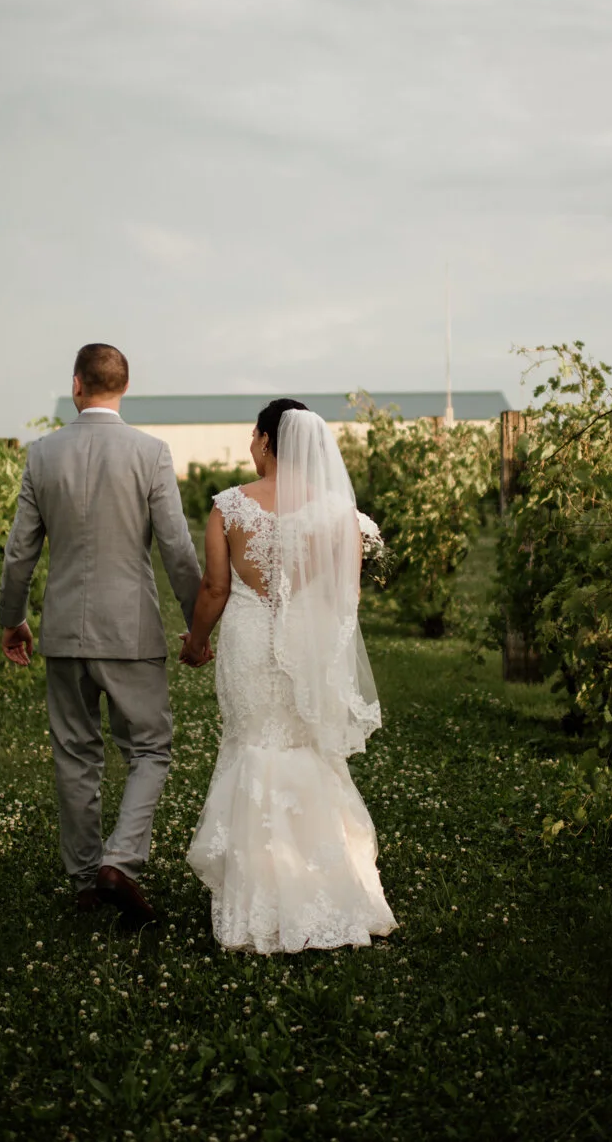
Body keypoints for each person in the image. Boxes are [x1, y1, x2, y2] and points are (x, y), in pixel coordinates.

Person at [0, 343, 204, 922]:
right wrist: (196, 624)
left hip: (63, 629)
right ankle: (120, 860)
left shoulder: (42, 454)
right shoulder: (151, 453)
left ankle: (88, 882)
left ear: (77, 385)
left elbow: (19, 554)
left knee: (74, 754)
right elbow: (177, 550)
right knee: (150, 748)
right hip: (131, 630)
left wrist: (12, 619)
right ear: (124, 387)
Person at [180, 399, 397, 952]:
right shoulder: (339, 513)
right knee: (304, 749)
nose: (251, 447)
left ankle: (259, 904)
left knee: (253, 744)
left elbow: (215, 590)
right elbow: (344, 599)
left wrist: (196, 640)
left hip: (249, 643)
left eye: (254, 437)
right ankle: (330, 891)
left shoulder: (230, 506)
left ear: (268, 441)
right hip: (309, 646)